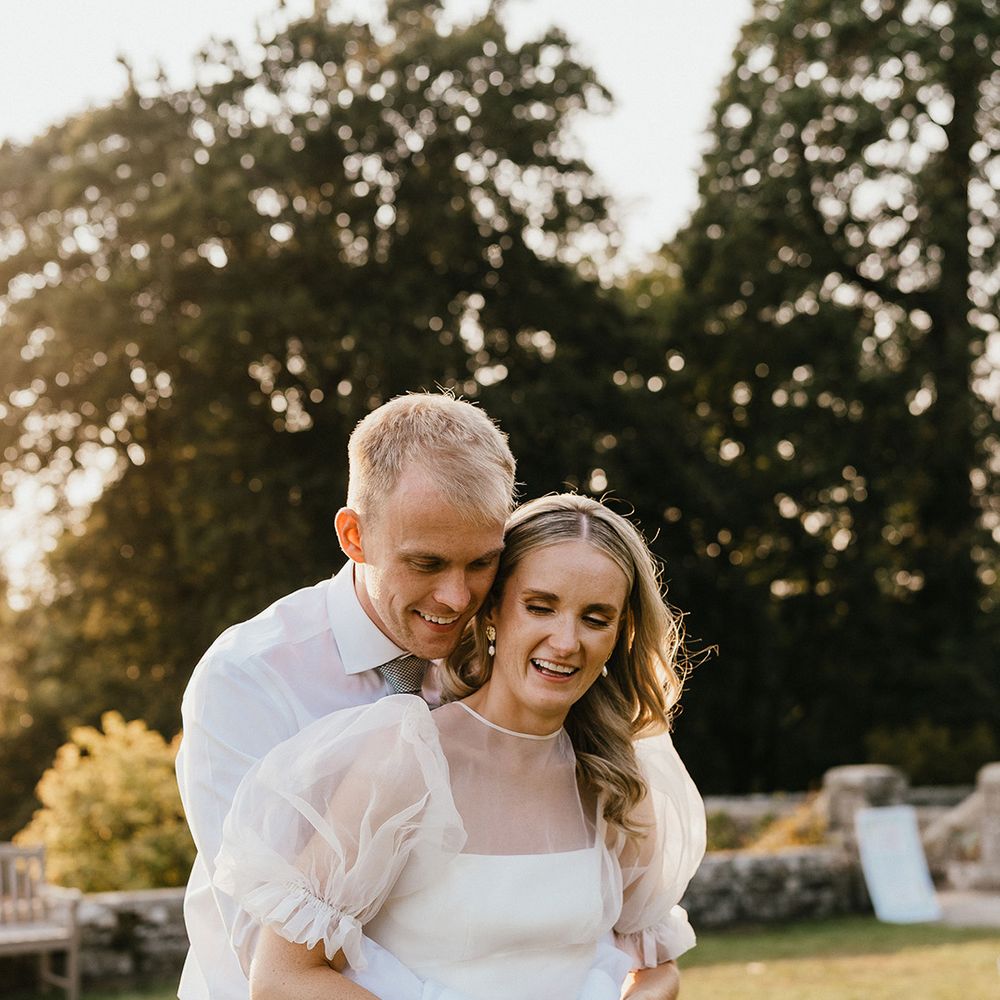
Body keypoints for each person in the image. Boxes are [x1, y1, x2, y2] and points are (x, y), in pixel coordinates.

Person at [214, 494, 706, 1000]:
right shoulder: (408, 756)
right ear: (492, 608)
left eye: (595, 618)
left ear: (620, 633)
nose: (565, 641)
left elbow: (656, 967)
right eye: (540, 607)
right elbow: (282, 978)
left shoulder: (614, 778)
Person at [175, 392, 517, 1000]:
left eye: (481, 563)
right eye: (427, 563)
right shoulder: (247, 679)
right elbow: (266, 944)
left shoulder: (495, 661)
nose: (458, 598)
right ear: (354, 535)